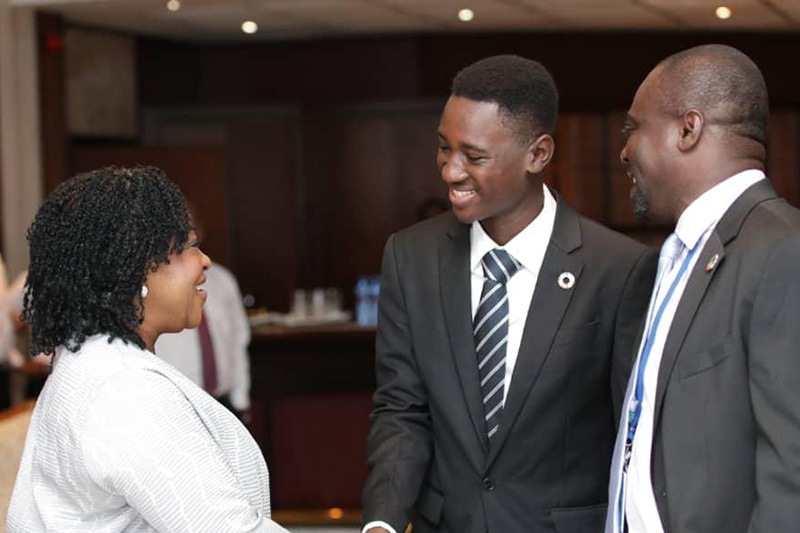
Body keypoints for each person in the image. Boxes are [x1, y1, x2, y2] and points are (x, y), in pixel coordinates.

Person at [362, 55, 656, 533]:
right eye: (444, 148)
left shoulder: (619, 268)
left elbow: (634, 433)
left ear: (538, 154)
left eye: (474, 157)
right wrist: (382, 522)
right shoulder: (411, 257)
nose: (450, 172)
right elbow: (402, 409)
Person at [7, 166, 288, 532]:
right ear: (136, 270)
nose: (204, 260)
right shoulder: (126, 390)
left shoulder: (88, 362)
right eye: (188, 247)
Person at [606, 44, 800, 533]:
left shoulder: (784, 252)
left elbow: (793, 476)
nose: (624, 151)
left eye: (633, 129)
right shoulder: (675, 257)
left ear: (688, 129)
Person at [156, 204, 252, 423]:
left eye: (192, 224)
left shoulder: (223, 279)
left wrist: (241, 400)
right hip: (176, 406)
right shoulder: (155, 283)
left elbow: (238, 341)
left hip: (223, 403)